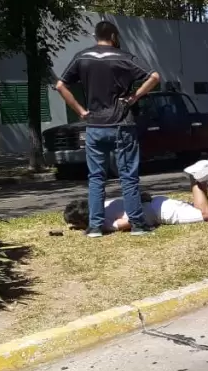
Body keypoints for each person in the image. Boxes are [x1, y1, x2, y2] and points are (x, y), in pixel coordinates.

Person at [56, 21, 160, 238]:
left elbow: (60, 85)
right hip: (122, 124)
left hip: (94, 125)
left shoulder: (82, 57)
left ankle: (95, 227)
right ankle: (138, 225)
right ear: (113, 35)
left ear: (96, 36)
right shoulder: (124, 57)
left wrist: (81, 111)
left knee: (96, 177)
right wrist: (133, 97)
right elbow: (154, 77)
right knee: (128, 177)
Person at [63, 161, 208, 233]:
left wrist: (101, 228)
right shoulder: (104, 204)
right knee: (200, 208)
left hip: (160, 213)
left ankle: (194, 177)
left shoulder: (104, 222)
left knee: (206, 215)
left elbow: (127, 223)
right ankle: (201, 180)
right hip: (158, 202)